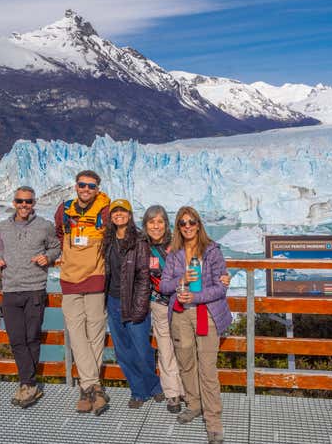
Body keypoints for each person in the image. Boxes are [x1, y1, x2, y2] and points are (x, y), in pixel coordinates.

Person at [143, 204, 231, 414]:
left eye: (191, 222)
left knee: (199, 362)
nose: (187, 226)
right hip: (167, 306)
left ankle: (203, 407)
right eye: (183, 223)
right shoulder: (150, 247)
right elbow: (161, 282)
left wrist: (217, 284)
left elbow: (219, 281)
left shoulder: (199, 249)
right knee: (172, 354)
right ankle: (180, 396)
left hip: (193, 308)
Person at [0, 186, 61, 408]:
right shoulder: (2, 227)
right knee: (16, 339)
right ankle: (29, 383)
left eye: (28, 202)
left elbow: (55, 247)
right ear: (14, 202)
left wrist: (48, 257)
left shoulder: (45, 226)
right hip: (11, 289)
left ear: (34, 203)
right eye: (20, 201)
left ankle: (27, 384)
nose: (24, 205)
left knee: (32, 337)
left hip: (34, 288)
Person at [54, 169, 111, 415]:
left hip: (96, 277)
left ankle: (86, 389)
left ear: (97, 188)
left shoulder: (106, 210)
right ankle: (93, 386)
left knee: (96, 331)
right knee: (77, 334)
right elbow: (59, 234)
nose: (86, 189)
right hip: (69, 278)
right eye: (82, 185)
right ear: (75, 186)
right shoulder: (64, 210)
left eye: (91, 186)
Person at [102, 199, 162, 408]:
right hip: (112, 300)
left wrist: (140, 305)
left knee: (142, 347)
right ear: (111, 216)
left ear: (129, 215)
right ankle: (138, 391)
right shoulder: (107, 240)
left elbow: (144, 277)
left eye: (123, 211)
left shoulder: (139, 241)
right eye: (115, 211)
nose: (119, 214)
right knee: (123, 350)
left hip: (134, 301)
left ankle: (154, 386)